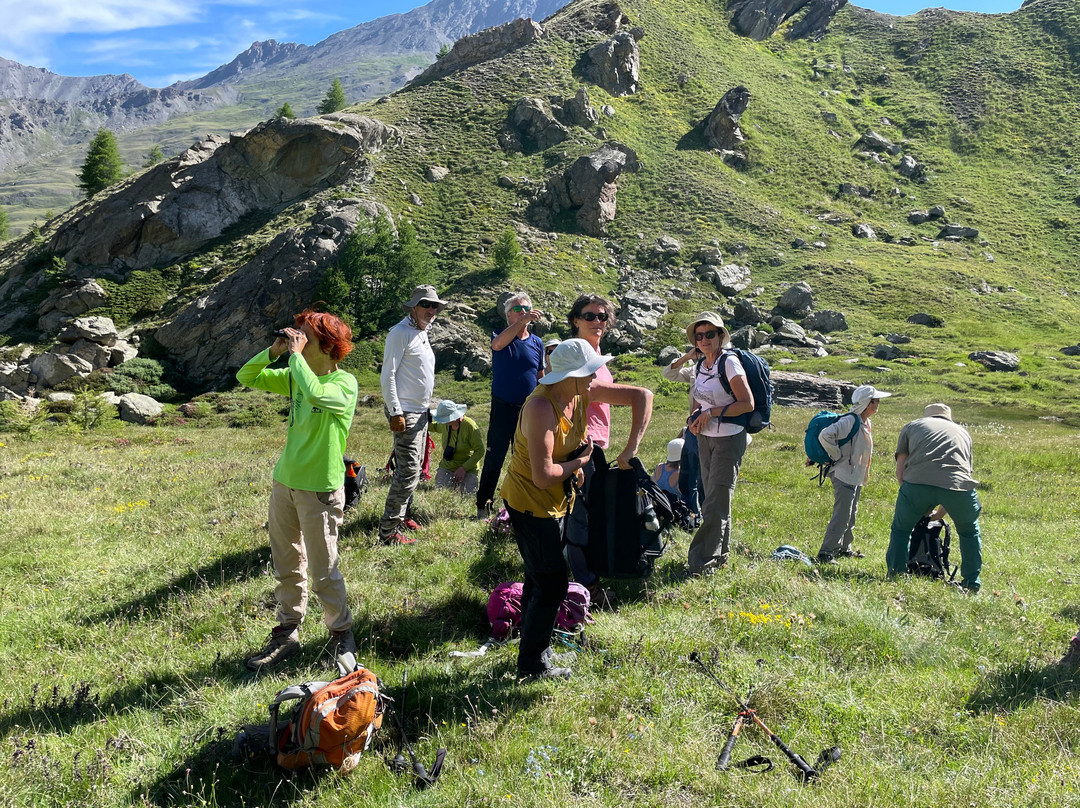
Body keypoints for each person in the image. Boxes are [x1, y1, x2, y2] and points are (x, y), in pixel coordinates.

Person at [500, 338, 646, 680]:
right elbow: (542, 475)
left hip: (556, 502)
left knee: (542, 577)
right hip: (530, 504)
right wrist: (581, 460)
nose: (597, 376)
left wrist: (630, 449)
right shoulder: (540, 408)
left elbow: (642, 396)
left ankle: (536, 647)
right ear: (571, 375)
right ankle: (533, 665)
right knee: (552, 584)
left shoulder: (579, 394)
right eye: (591, 371)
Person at [236, 309, 359, 670]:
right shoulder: (295, 374)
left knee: (324, 569)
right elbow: (247, 376)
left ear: (324, 343)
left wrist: (294, 358)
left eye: (303, 335)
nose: (296, 340)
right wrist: (274, 353)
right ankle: (288, 631)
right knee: (287, 563)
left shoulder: (344, 385)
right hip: (285, 483)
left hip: (319, 489)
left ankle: (341, 634)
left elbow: (318, 393)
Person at [562, 294, 653, 603]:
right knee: (579, 521)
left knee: (585, 517)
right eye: (590, 316)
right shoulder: (576, 356)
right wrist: (631, 449)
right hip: (578, 448)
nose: (597, 322)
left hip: (592, 447)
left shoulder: (595, 354)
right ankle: (585, 588)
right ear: (575, 320)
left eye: (602, 317)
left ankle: (581, 581)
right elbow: (643, 396)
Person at [664, 312, 754, 575]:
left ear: (721, 336)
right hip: (704, 437)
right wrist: (695, 417)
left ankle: (700, 561)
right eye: (699, 336)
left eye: (709, 334)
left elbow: (746, 404)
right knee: (715, 500)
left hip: (728, 439)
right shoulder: (701, 366)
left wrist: (711, 413)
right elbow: (675, 379)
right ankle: (718, 556)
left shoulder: (730, 364)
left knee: (715, 500)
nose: (704, 340)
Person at [885, 403, 982, 592]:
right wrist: (940, 513)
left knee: (901, 530)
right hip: (958, 488)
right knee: (969, 532)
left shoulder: (912, 426)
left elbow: (900, 472)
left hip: (916, 483)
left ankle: (896, 575)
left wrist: (913, 499)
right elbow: (962, 474)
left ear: (926, 416)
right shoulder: (963, 432)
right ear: (948, 418)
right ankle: (971, 583)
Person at [380, 285, 446, 545]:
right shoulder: (400, 333)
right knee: (407, 471)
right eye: (426, 305)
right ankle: (388, 530)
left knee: (416, 467)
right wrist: (396, 411)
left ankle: (403, 514)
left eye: (434, 306)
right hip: (405, 410)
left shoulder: (422, 332)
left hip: (420, 411)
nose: (431, 310)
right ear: (414, 307)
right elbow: (388, 375)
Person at [475, 292, 545, 520]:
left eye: (527, 307)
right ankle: (483, 504)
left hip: (528, 409)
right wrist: (522, 323)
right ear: (508, 315)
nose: (524, 311)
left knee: (524, 457)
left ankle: (521, 504)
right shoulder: (501, 335)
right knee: (495, 456)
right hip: (503, 405)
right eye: (518, 309)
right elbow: (496, 345)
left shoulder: (537, 342)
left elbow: (540, 375)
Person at [814, 384, 892, 564]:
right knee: (842, 515)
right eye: (876, 401)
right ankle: (826, 553)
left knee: (851, 513)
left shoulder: (866, 422)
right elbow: (825, 436)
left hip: (855, 474)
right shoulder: (850, 420)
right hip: (844, 474)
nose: (878, 403)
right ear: (867, 403)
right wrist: (836, 455)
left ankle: (844, 548)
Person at [429, 400, 484, 495]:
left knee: (467, 497)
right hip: (447, 466)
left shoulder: (470, 427)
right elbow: (433, 427)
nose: (442, 421)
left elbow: (480, 451)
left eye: (444, 419)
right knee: (441, 493)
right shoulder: (445, 425)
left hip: (468, 468)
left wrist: (464, 468)